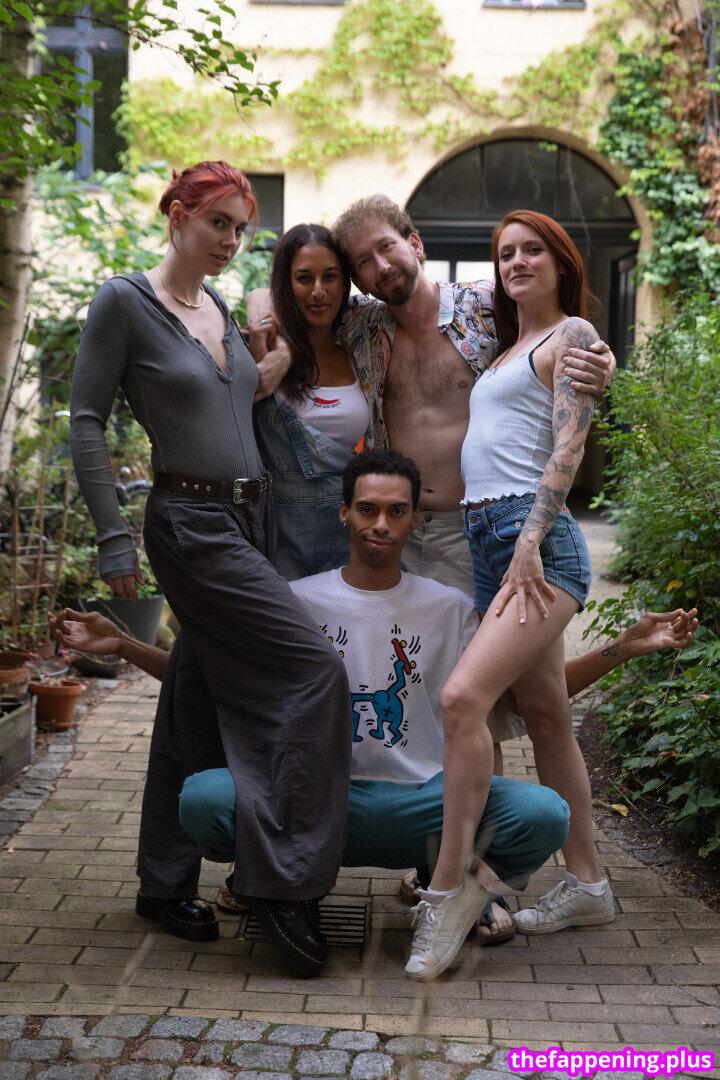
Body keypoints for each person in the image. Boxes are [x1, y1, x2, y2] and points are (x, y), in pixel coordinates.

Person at [51, 450, 697, 968]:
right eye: (366, 509)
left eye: (396, 512)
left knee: (544, 814)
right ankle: (285, 881)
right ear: (343, 514)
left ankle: (449, 883)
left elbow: (530, 704)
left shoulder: (449, 609)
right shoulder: (295, 601)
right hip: (312, 802)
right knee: (203, 799)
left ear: (416, 521)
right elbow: (210, 684)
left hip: (424, 808)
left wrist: (625, 646)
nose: (380, 525)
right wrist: (124, 645)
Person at [69, 161, 352, 978]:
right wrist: (112, 538)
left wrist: (266, 364)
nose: (231, 240)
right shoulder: (125, 302)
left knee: (192, 695)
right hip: (191, 524)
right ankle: (278, 879)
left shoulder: (219, 308)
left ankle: (163, 883)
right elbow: (86, 419)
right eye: (217, 222)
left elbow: (236, 401)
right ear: (177, 216)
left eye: (239, 228)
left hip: (252, 516)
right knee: (313, 671)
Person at [250, 197, 613, 773]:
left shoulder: (485, 305)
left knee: (482, 704)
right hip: (397, 532)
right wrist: (278, 348)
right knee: (424, 695)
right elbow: (268, 296)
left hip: (476, 530)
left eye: (386, 248)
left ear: (414, 243)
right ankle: (428, 820)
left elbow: (555, 333)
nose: (379, 267)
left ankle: (481, 831)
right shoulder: (362, 324)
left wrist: (600, 360)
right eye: (362, 263)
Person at [402, 209, 612, 980]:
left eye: (532, 251)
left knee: (463, 701)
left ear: (561, 262)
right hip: (491, 539)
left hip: (536, 545)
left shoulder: (572, 336)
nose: (517, 262)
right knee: (548, 718)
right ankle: (588, 884)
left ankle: (450, 889)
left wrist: (529, 538)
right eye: (506, 253)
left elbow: (568, 445)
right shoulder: (505, 346)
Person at [253, 224, 374, 579]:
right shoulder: (263, 349)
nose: (318, 291)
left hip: (351, 536)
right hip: (279, 541)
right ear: (286, 283)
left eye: (330, 277)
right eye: (304, 278)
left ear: (344, 283)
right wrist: (280, 345)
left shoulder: (360, 349)